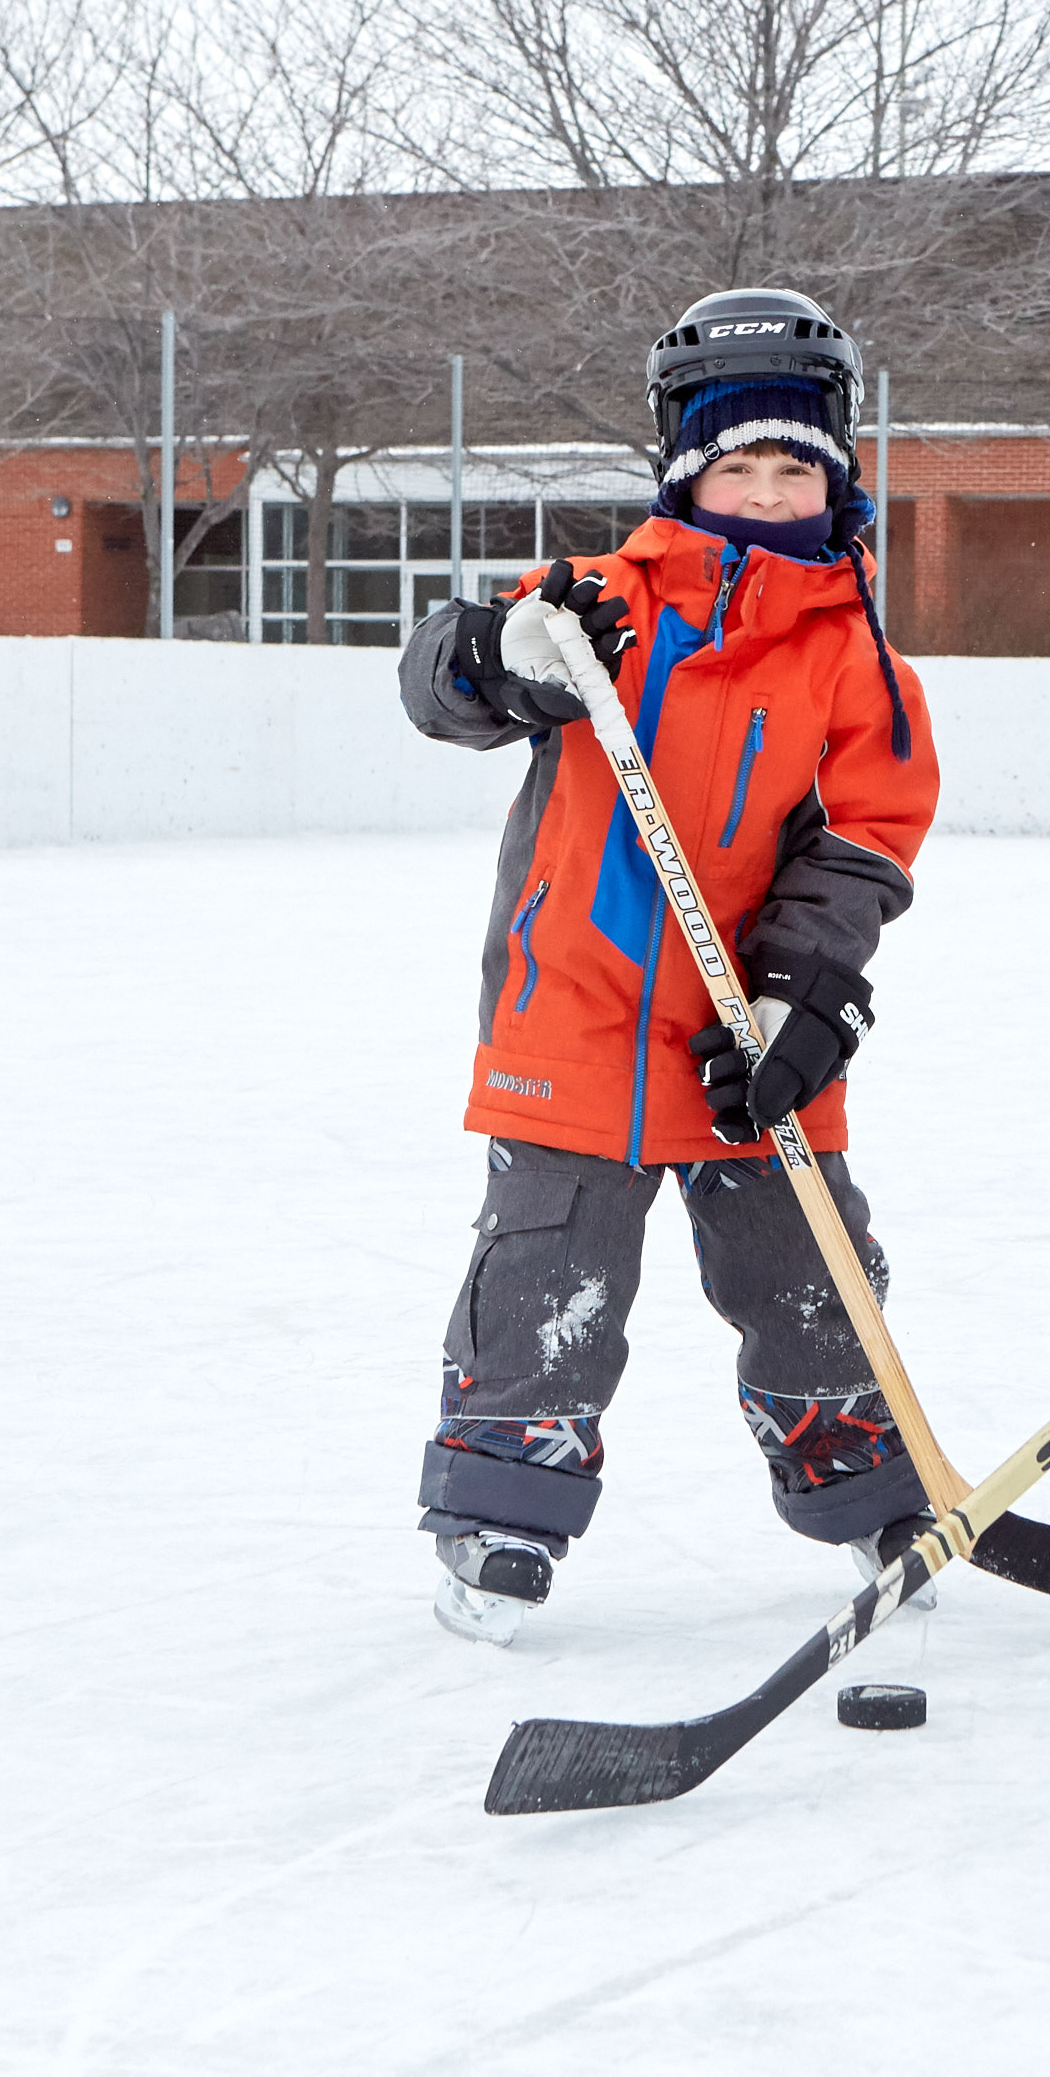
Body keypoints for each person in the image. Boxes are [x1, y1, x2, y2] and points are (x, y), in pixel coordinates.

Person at [392, 288, 940, 1647]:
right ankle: (502, 1511)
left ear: (837, 470)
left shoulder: (857, 661)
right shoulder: (599, 607)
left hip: (747, 1032)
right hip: (572, 1015)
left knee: (811, 1270)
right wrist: (493, 655)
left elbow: (865, 843)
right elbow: (442, 683)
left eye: (793, 464)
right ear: (683, 473)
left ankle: (870, 1487)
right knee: (547, 1276)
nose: (764, 491)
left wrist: (801, 1001)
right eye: (736, 465)